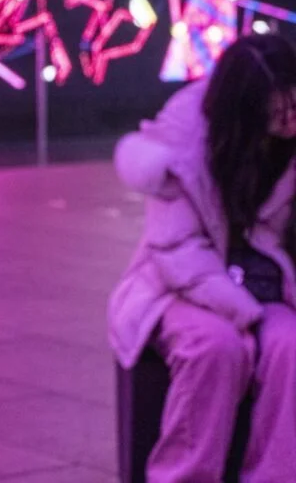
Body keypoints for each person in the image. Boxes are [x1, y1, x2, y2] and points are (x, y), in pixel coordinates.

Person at [109, 33, 296, 481]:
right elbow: (176, 251)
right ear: (246, 110)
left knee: (290, 347)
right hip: (178, 287)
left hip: (263, 280)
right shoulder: (184, 143)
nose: (292, 120)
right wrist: (243, 313)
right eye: (278, 112)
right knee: (216, 347)